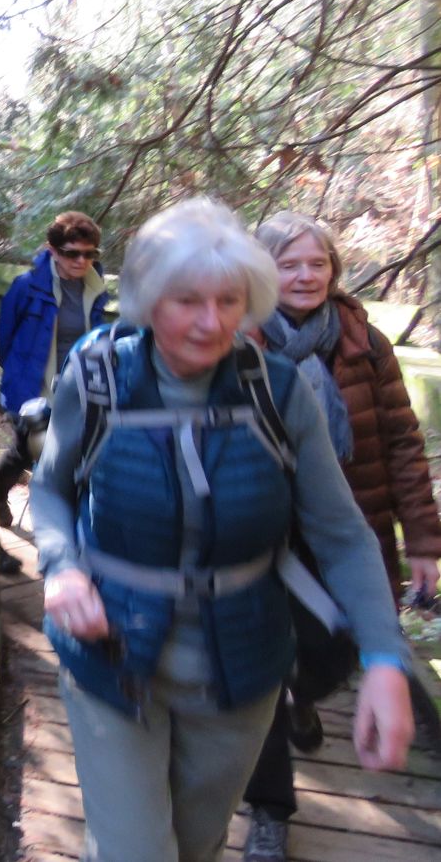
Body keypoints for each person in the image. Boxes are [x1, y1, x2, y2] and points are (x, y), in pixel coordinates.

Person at [30, 198, 411, 862]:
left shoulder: (277, 391)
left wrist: (384, 658)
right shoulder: (97, 379)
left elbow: (342, 534)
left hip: (240, 662)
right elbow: (51, 487)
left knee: (197, 845)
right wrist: (61, 567)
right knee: (132, 852)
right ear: (149, 301)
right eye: (187, 302)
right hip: (112, 654)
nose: (211, 323)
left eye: (229, 301)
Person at [237, 211, 441, 861]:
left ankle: (303, 694)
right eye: (289, 264)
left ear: (334, 270)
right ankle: (269, 808)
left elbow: (402, 441)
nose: (305, 276)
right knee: (260, 667)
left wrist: (424, 539)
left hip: (350, 528)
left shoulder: (362, 341)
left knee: (336, 652)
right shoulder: (238, 338)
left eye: (317, 263)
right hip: (264, 535)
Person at [0, 211, 111, 522]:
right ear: (52, 250)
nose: (81, 261)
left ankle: (59, 522)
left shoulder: (95, 288)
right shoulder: (26, 287)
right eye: (72, 253)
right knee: (25, 452)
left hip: (77, 388)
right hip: (32, 387)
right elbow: (5, 340)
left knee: (70, 454)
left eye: (90, 254)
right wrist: (20, 376)